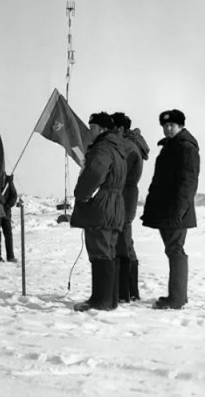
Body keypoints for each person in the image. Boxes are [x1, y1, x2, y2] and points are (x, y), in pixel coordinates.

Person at [141, 109, 200, 310]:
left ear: (181, 125)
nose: (167, 129)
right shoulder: (171, 146)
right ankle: (176, 296)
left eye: (171, 125)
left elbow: (188, 183)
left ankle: (176, 298)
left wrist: (178, 211)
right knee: (173, 250)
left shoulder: (186, 148)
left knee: (175, 250)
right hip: (168, 209)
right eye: (164, 125)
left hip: (176, 211)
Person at [70, 112, 126, 312]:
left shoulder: (102, 148)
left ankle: (100, 300)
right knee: (109, 252)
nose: (89, 130)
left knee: (100, 252)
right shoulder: (118, 148)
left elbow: (94, 174)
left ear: (102, 129)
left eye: (92, 127)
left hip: (102, 205)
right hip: (115, 204)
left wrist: (82, 194)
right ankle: (109, 299)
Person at [111, 112, 150, 302]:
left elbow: (116, 169)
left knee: (122, 239)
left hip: (124, 193)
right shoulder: (132, 144)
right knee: (126, 238)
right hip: (128, 193)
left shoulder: (126, 146)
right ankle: (131, 291)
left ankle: (125, 292)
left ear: (119, 128)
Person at [0, 174, 19, 263]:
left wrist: (7, 205)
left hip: (6, 213)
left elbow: (14, 195)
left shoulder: (8, 182)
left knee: (8, 235)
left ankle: (10, 256)